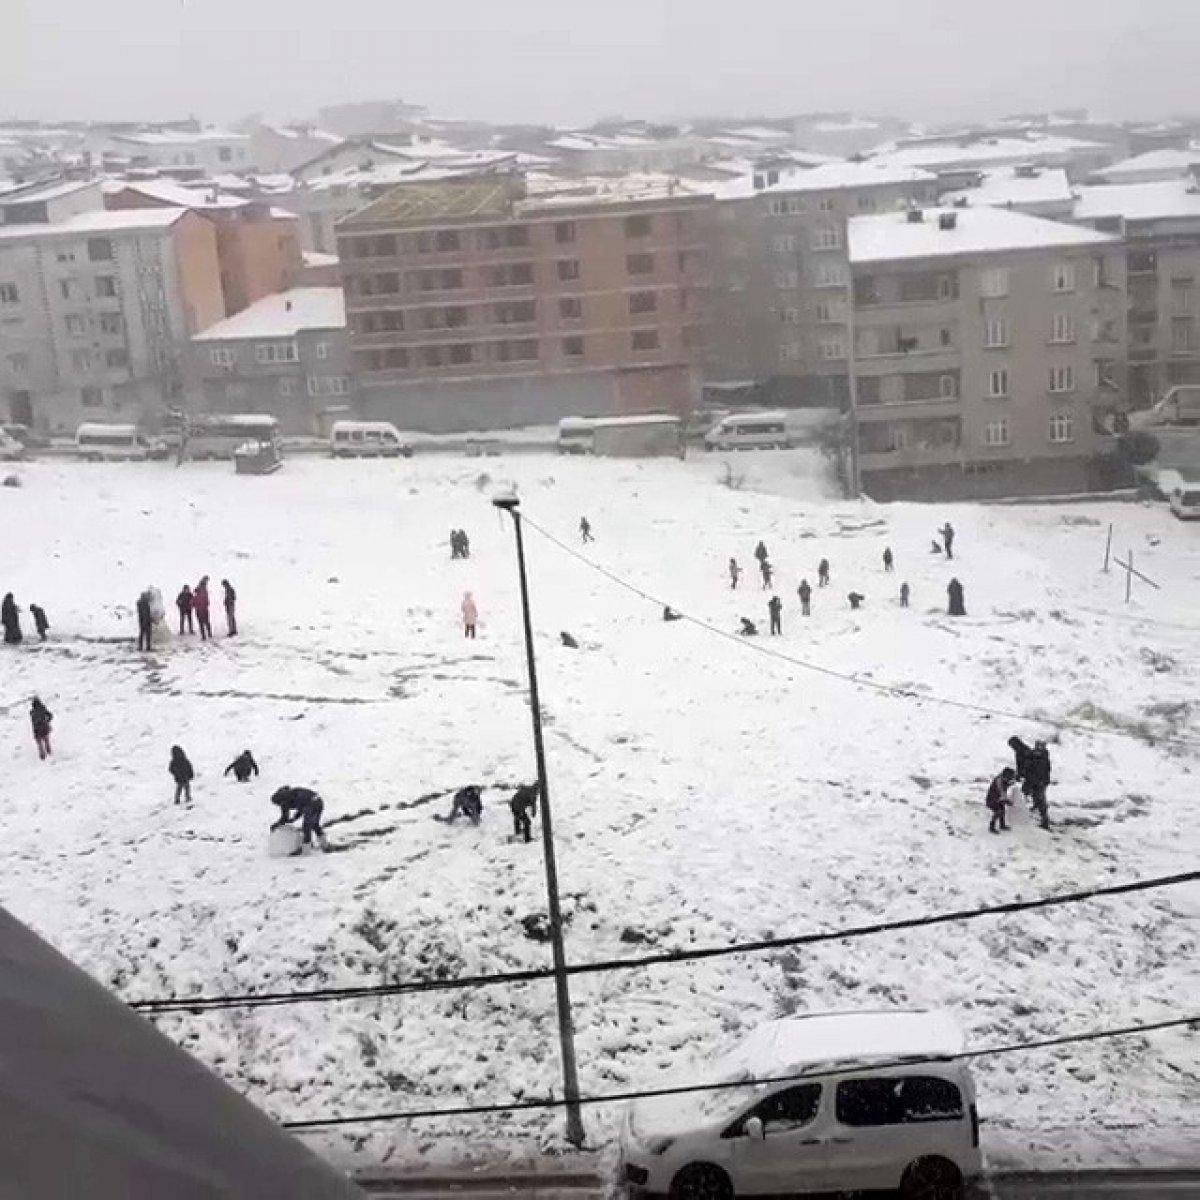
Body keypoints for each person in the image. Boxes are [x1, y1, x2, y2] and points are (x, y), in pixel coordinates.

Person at [1025, 740, 1052, 830]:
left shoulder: (1043, 759)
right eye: (1038, 746)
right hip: (1036, 781)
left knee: (1041, 800)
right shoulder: (1036, 756)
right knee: (1037, 797)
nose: (1038, 749)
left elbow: (1042, 772)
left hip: (1040, 783)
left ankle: (1045, 822)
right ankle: (1037, 808)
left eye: (1041, 747)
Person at [986, 767, 1017, 834]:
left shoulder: (1003, 779)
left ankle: (1002, 825)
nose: (1011, 780)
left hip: (998, 798)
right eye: (1010, 778)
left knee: (1002, 810)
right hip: (992, 799)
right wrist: (1008, 801)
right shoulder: (999, 782)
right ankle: (991, 827)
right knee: (999, 811)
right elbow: (1002, 793)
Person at [194, 576, 212, 641]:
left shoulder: (196, 596)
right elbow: (207, 602)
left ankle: (204, 636)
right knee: (206, 622)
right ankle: (209, 634)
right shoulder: (204, 592)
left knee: (201, 623)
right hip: (204, 610)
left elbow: (193, 604)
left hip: (199, 611)